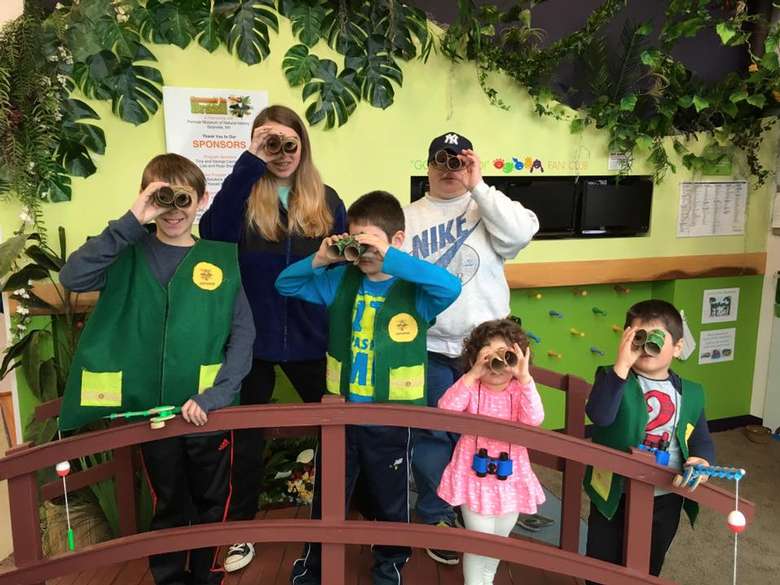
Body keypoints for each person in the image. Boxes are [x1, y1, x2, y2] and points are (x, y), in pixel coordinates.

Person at [58, 153, 255, 585]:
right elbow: (73, 277)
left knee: (212, 500)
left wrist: (216, 395)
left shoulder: (221, 260)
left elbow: (242, 339)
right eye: (162, 198)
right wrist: (133, 217)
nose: (174, 210)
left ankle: (210, 577)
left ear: (202, 200)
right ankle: (170, 579)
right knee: (166, 501)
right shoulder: (127, 252)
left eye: (183, 198)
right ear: (147, 198)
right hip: (151, 415)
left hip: (207, 411)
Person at [276, 190, 461, 585]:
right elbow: (285, 285)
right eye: (355, 240)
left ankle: (389, 566)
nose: (363, 251)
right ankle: (313, 568)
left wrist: (391, 258)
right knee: (328, 497)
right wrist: (322, 258)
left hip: (391, 418)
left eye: (371, 242)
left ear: (396, 240)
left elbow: (451, 287)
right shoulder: (340, 282)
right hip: (341, 414)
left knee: (390, 501)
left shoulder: (417, 293)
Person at [199, 105, 346, 571]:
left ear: (303, 146)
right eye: (271, 143)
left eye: (289, 143)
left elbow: (341, 270)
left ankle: (338, 518)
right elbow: (212, 233)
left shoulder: (325, 201)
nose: (281, 153)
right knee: (246, 438)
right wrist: (249, 161)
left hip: (312, 338)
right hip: (251, 341)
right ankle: (241, 529)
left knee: (338, 428)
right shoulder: (245, 199)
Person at [403, 131, 539, 564]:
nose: (449, 167)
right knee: (432, 437)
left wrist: (478, 184)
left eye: (458, 161)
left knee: (488, 437)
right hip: (427, 346)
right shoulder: (408, 217)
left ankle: (477, 508)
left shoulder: (487, 207)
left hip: (486, 354)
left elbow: (524, 232)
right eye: (441, 161)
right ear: (427, 167)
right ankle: (436, 514)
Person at [584, 300, 715, 582]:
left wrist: (701, 459)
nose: (646, 347)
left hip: (665, 494)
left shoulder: (691, 393)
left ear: (678, 348)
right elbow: (600, 416)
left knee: (648, 566)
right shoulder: (611, 377)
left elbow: (702, 438)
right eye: (638, 338)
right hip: (614, 493)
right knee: (601, 563)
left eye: (655, 339)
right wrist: (622, 364)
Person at [436, 318, 545, 585]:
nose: (497, 365)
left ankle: (487, 580)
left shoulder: (520, 390)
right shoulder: (472, 388)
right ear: (475, 357)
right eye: (488, 356)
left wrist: (525, 377)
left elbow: (534, 419)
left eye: (506, 356)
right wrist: (473, 374)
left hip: (510, 478)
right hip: (474, 476)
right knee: (479, 542)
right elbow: (446, 409)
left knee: (499, 542)